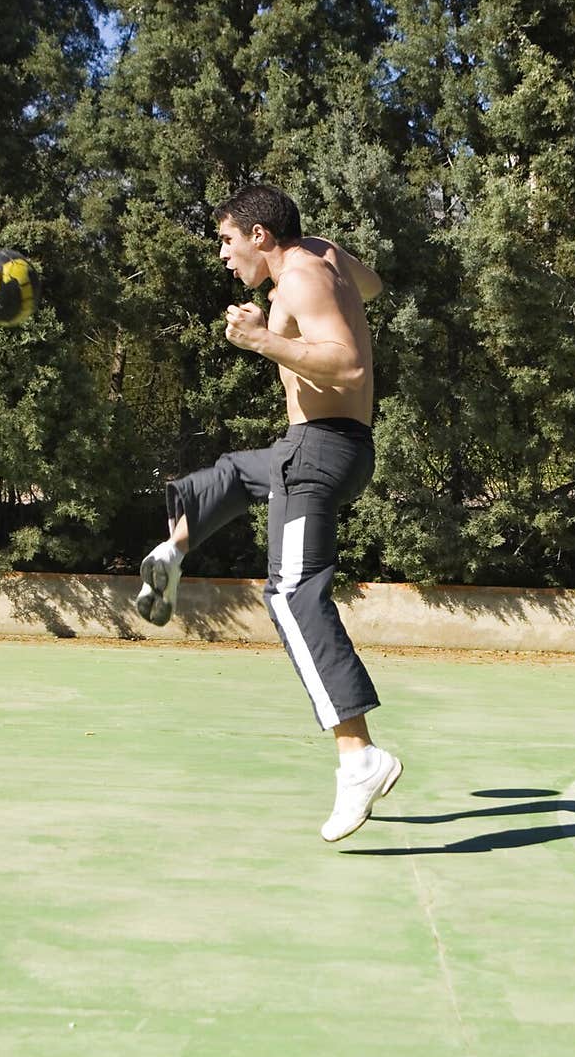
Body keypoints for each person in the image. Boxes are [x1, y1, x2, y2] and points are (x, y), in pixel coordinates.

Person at [135, 183, 402, 841]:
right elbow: (370, 285)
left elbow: (347, 367)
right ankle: (173, 550)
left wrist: (263, 340)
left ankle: (358, 755)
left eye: (228, 240)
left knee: (290, 595)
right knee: (230, 473)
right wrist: (284, 305)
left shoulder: (304, 272)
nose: (224, 255)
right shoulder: (319, 261)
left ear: (260, 236)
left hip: (319, 451)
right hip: (314, 448)